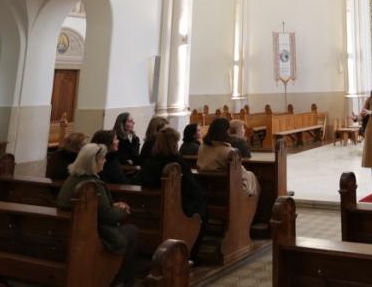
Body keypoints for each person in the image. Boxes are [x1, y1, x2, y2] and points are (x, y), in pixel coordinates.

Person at [57, 144, 138, 286]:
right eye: (102, 158)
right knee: (132, 231)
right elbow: (107, 216)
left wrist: (113, 205)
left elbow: (92, 207)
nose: (105, 161)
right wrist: (123, 210)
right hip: (93, 232)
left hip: (71, 229)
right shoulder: (93, 184)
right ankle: (118, 277)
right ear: (93, 161)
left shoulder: (72, 178)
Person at [138, 127, 208, 262]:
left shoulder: (150, 161)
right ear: (173, 143)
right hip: (176, 204)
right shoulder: (176, 162)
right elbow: (191, 186)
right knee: (201, 210)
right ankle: (191, 253)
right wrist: (201, 194)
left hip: (152, 205)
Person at [197, 117, 259, 198]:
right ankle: (255, 205)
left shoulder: (201, 147)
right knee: (252, 177)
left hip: (206, 188)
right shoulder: (229, 152)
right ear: (226, 132)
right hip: (227, 190)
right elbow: (241, 174)